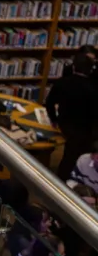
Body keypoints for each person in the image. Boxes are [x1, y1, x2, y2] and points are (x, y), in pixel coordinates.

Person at [46, 48, 98, 179]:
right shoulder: (93, 88)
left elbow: (50, 102)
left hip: (66, 124)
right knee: (77, 155)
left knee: (69, 157)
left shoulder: (62, 83)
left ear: (73, 67)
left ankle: (61, 180)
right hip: (85, 128)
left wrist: (54, 119)